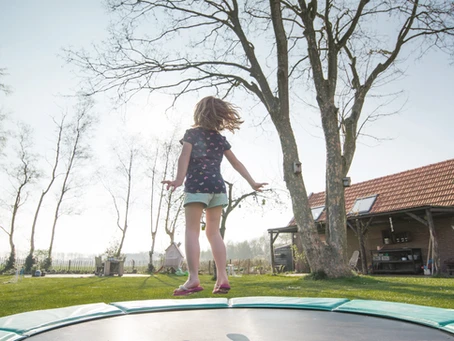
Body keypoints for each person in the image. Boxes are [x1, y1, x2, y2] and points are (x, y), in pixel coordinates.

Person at [162, 96, 267, 296]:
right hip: (218, 188)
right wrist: (252, 182)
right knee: (213, 232)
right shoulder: (220, 139)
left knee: (192, 231)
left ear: (199, 113)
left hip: (197, 187)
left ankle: (193, 278)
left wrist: (178, 180)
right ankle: (222, 277)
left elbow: (184, 156)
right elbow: (236, 163)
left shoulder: (191, 134)